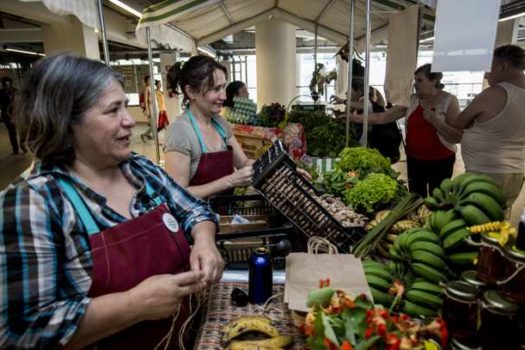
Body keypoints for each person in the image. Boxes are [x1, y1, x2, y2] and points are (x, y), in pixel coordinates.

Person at [0, 53, 224, 349]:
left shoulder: (141, 170)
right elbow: (21, 331)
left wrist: (205, 240)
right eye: (112, 111)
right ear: (66, 121)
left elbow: (194, 209)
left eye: (125, 107)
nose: (130, 121)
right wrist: (134, 305)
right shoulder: (35, 203)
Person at [351, 64, 462, 198]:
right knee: (415, 198)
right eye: (415, 80)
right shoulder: (412, 100)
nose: (415, 84)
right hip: (415, 160)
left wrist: (436, 121)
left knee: (439, 199)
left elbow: (457, 137)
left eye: (420, 80)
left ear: (434, 81)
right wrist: (357, 118)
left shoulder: (449, 101)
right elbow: (383, 117)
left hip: (441, 161)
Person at [164, 56, 254, 199]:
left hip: (225, 214)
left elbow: (243, 163)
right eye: (216, 89)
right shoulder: (180, 132)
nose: (224, 96)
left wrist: (275, 167)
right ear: (191, 92)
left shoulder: (220, 123)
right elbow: (177, 195)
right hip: (197, 218)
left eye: (223, 87)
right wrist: (230, 181)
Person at [447, 44, 525, 210]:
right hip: (515, 172)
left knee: (476, 222)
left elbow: (458, 122)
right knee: (497, 219)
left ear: (503, 66)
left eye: (489, 68)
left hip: (487, 174)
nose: (486, 75)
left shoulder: (496, 93)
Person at [334, 78, 402, 163]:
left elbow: (362, 106)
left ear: (358, 91)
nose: (346, 92)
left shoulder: (364, 100)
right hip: (373, 145)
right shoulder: (363, 101)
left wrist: (343, 101)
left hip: (376, 146)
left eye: (349, 89)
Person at [0, 76, 21, 154]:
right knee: (12, 132)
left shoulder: (16, 91)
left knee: (22, 130)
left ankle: (22, 145)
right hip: (6, 115)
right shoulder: (1, 93)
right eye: (4, 84)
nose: (6, 85)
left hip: (17, 113)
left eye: (7, 83)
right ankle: (15, 149)